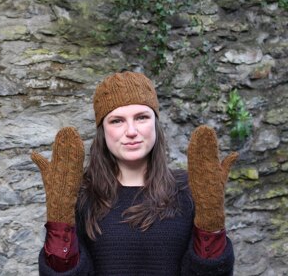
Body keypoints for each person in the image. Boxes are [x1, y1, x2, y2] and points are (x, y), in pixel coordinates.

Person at [31, 71, 239, 276]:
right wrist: (59, 221)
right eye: (117, 120)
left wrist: (211, 224)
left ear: (155, 124)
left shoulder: (193, 189)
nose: (131, 131)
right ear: (103, 131)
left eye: (141, 117)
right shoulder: (78, 194)